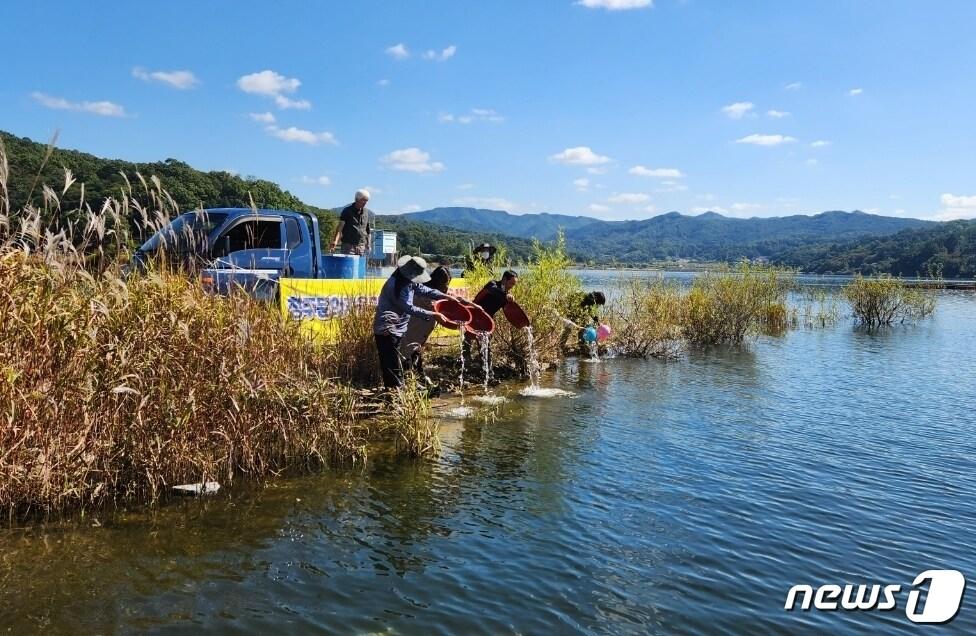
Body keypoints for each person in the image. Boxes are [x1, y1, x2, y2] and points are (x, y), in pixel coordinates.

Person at [373, 257, 473, 390]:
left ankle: (400, 390)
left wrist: (445, 296)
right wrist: (433, 314)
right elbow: (409, 308)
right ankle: (394, 394)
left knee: (399, 362)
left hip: (399, 329)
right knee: (392, 366)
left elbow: (426, 290)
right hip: (387, 329)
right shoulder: (394, 285)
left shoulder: (409, 282)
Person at [399, 266, 453, 380]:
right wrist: (460, 324)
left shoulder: (429, 290)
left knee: (415, 354)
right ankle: (409, 382)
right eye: (446, 283)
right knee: (409, 356)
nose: (447, 286)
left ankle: (419, 379)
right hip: (413, 330)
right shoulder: (427, 296)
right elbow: (441, 319)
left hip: (417, 332)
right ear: (439, 282)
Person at [465, 270, 519, 378]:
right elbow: (492, 290)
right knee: (468, 339)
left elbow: (509, 311)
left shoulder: (506, 295)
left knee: (486, 345)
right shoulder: (492, 284)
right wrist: (506, 295)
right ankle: (466, 363)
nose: (512, 286)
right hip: (474, 314)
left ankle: (486, 371)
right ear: (504, 279)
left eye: (514, 284)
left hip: (487, 320)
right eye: (511, 283)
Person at [332, 189, 372, 255]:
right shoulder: (347, 211)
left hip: (361, 246)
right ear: (357, 199)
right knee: (347, 261)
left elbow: (368, 231)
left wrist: (368, 244)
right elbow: (340, 228)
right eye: (363, 200)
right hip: (348, 246)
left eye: (366, 201)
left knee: (360, 261)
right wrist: (335, 241)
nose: (365, 203)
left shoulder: (366, 212)